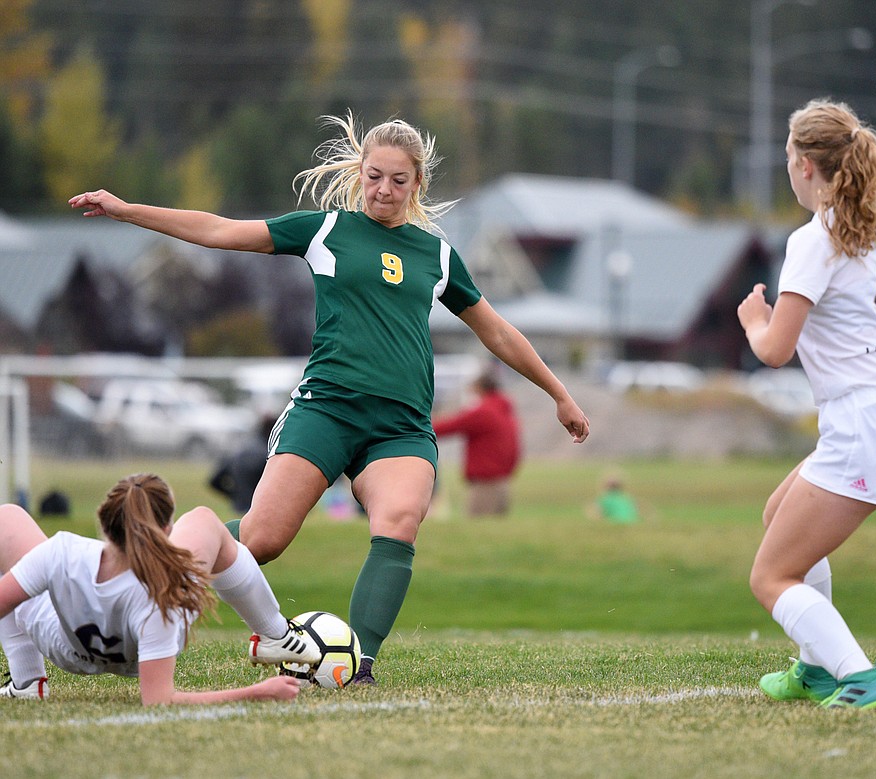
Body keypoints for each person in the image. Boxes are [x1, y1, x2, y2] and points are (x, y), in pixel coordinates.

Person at [69, 112, 590, 687]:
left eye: (397, 180)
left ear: (417, 183)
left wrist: (559, 395)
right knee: (263, 539)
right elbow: (218, 229)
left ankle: (356, 666)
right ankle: (126, 577)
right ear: (359, 173)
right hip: (326, 409)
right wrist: (126, 210)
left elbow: (497, 332)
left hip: (401, 426)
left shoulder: (437, 256)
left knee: (399, 520)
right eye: (374, 177)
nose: (383, 190)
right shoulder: (324, 230)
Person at [736, 99, 876, 710]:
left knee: (770, 577)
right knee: (780, 516)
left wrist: (753, 321)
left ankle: (859, 677)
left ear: (803, 165)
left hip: (866, 421)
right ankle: (815, 670)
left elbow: (773, 350)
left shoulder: (812, 240)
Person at [0, 472, 319, 705]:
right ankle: (276, 635)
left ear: (104, 522)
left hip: (60, 643)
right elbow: (159, 699)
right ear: (167, 530)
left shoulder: (60, 553)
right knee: (204, 520)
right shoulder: (164, 595)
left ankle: (27, 680)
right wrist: (256, 692)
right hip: (138, 654)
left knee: (6, 518)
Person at [432, 371, 521, 518]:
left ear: (480, 388)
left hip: (485, 483)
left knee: (478, 525)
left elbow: (450, 426)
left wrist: (417, 427)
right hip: (502, 481)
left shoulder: (484, 412)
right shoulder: (504, 410)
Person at [208, 414, 276, 515]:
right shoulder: (270, 455)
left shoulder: (239, 451)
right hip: (262, 509)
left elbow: (214, 481)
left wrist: (235, 496)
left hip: (238, 509)